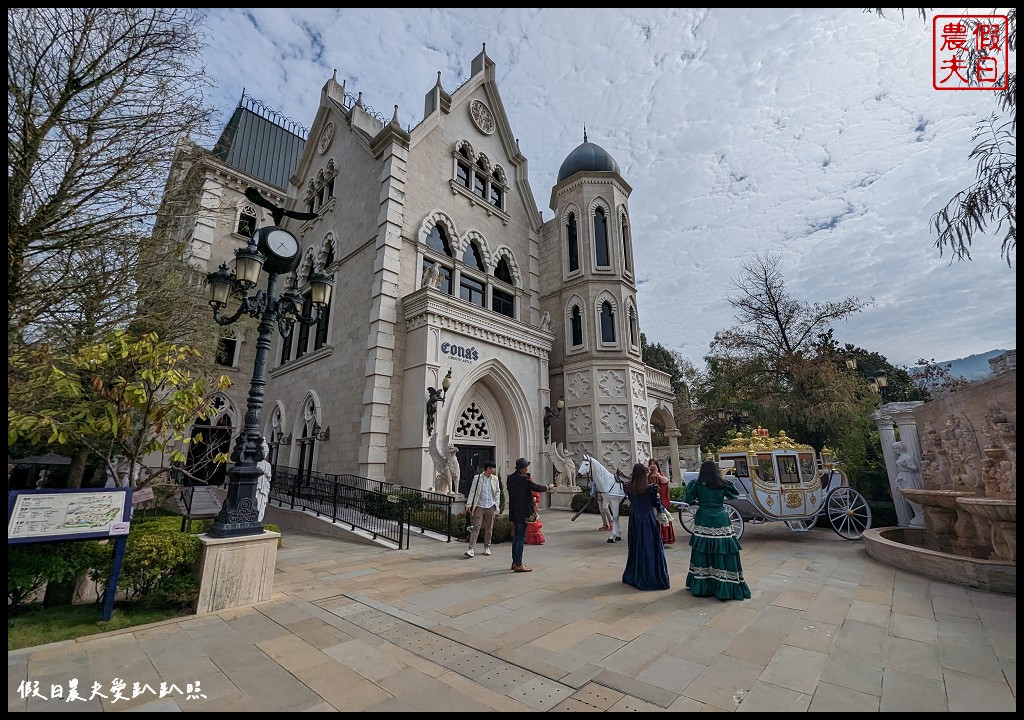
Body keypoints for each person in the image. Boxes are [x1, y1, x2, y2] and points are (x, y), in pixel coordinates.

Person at [684, 460, 751, 601]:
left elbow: (688, 500)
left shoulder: (696, 485)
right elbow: (734, 495)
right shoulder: (722, 484)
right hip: (721, 518)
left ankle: (704, 584)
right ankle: (724, 582)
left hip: (704, 518)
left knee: (703, 549)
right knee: (723, 549)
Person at [622, 462, 671, 591]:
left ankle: (635, 574)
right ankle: (651, 576)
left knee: (637, 546)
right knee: (649, 546)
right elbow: (657, 505)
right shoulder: (651, 488)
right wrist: (663, 513)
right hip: (647, 519)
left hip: (634, 519)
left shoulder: (628, 487)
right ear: (644, 474)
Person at [506, 458, 555, 572]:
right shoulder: (523, 479)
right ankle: (518, 563)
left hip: (514, 511)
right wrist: (548, 487)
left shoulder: (510, 478)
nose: (527, 469)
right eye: (526, 467)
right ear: (522, 469)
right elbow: (536, 487)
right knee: (521, 538)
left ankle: (515, 561)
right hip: (523, 512)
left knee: (516, 537)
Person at [464, 460, 504, 558]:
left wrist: (496, 504)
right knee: (476, 527)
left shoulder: (495, 479)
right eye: (492, 468)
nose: (494, 470)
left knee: (489, 528)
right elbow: (472, 491)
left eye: (494, 468)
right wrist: (469, 504)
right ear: (488, 468)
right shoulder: (477, 478)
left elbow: (498, 491)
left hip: (490, 506)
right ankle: (471, 548)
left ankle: (487, 546)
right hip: (479, 506)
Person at [648, 458, 675, 545]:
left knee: (662, 518)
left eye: (654, 464)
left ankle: (664, 538)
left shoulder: (661, 475)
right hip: (650, 501)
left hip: (660, 501)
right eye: (651, 464)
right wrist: (648, 473)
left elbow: (665, 481)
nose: (653, 465)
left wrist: (657, 474)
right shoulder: (647, 476)